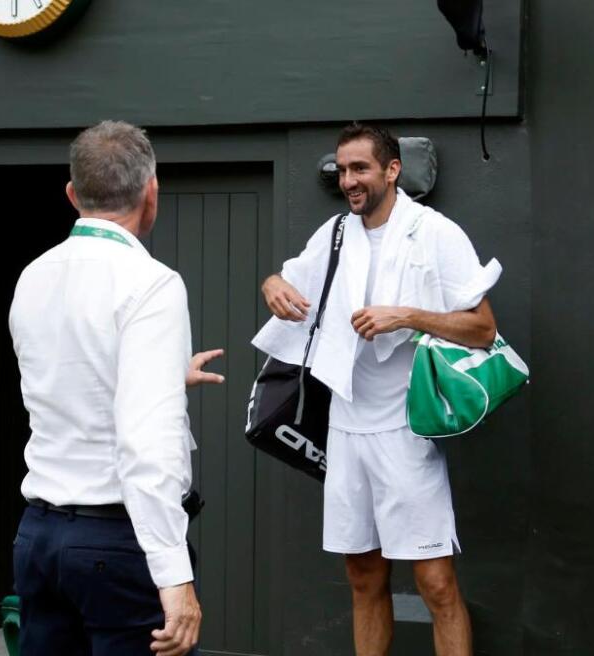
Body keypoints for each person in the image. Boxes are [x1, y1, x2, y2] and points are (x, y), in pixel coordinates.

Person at [253, 122, 500, 656]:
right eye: (342, 170)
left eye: (360, 168)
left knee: (436, 584)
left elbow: (483, 330)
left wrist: (407, 316)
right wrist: (271, 283)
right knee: (363, 580)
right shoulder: (336, 233)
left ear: (393, 170)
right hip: (344, 428)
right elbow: (286, 280)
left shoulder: (435, 232)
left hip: (406, 430)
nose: (349, 180)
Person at [9, 120, 224, 656]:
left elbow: (70, 380)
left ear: (71, 194)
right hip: (115, 545)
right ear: (151, 192)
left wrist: (164, 377)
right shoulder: (151, 283)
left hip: (38, 539)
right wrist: (175, 578)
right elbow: (145, 443)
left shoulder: (33, 274)